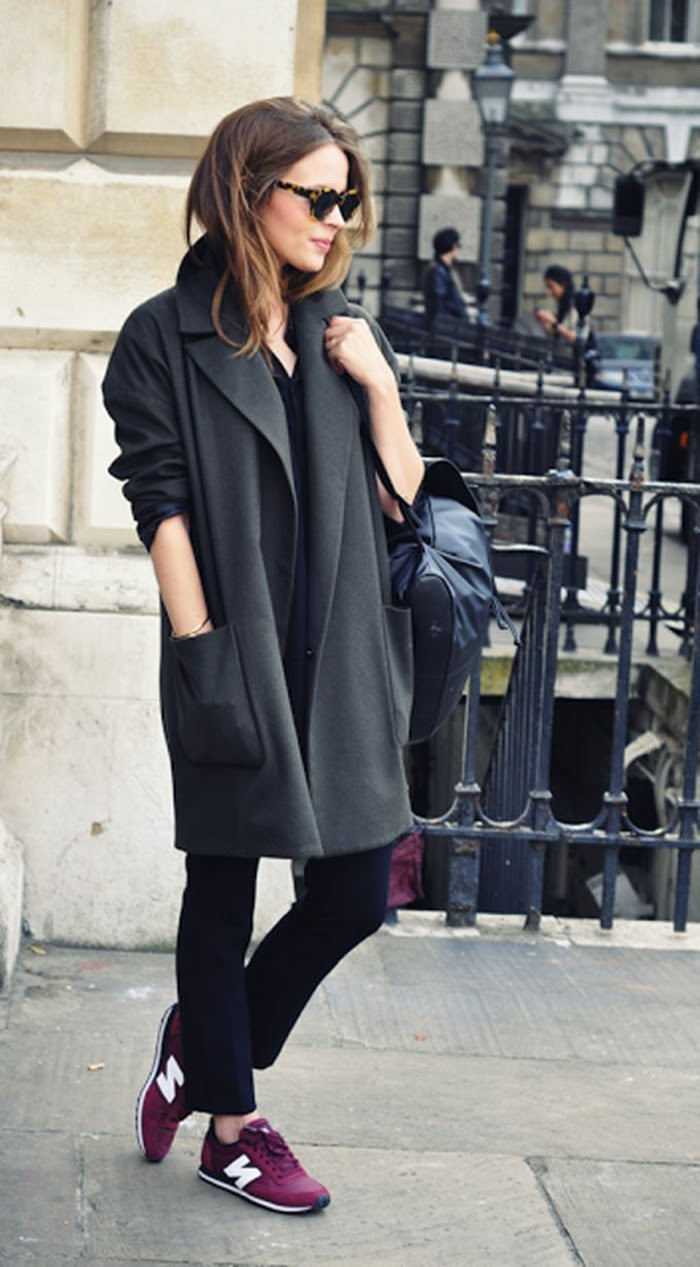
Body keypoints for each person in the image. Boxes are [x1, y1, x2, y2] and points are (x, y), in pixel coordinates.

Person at [103, 97, 423, 1216]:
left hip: (340, 655)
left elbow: (403, 504)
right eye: (317, 196)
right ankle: (232, 1133)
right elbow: (160, 507)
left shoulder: (342, 333)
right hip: (233, 648)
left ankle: (200, 1042)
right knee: (223, 886)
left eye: (349, 200)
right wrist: (201, 652)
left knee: (356, 891)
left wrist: (380, 386)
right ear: (249, 193)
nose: (337, 219)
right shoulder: (162, 336)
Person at [422, 227, 468, 329]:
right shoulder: (438, 271)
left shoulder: (442, 269)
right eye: (458, 246)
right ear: (453, 246)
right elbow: (439, 305)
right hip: (447, 328)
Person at [533, 263, 577, 344]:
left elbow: (575, 338)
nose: (550, 292)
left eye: (551, 287)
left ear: (563, 284)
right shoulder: (560, 304)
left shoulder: (576, 305)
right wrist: (545, 323)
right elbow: (556, 336)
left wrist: (553, 322)